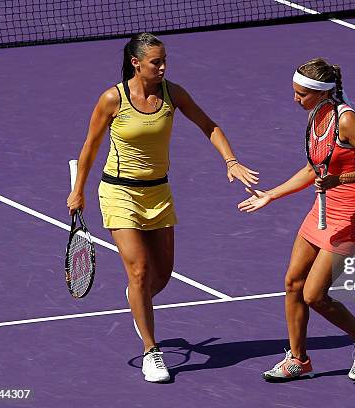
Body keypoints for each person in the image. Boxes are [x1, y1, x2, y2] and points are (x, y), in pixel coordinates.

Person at [66, 32, 258, 383]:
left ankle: (136, 296)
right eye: (156, 62)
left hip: (159, 193)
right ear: (137, 63)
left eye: (165, 59)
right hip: (119, 192)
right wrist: (78, 191)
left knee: (162, 276)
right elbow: (90, 147)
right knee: (139, 270)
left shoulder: (173, 93)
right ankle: (151, 351)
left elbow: (208, 125)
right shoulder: (113, 98)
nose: (163, 66)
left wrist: (230, 160)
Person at [238, 58, 355, 382]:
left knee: (314, 295)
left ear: (321, 93)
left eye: (301, 94)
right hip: (322, 211)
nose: (296, 99)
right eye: (294, 92)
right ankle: (298, 360)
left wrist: (342, 179)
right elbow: (313, 170)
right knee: (293, 283)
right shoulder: (314, 116)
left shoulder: (346, 121)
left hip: (351, 216)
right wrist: (271, 194)